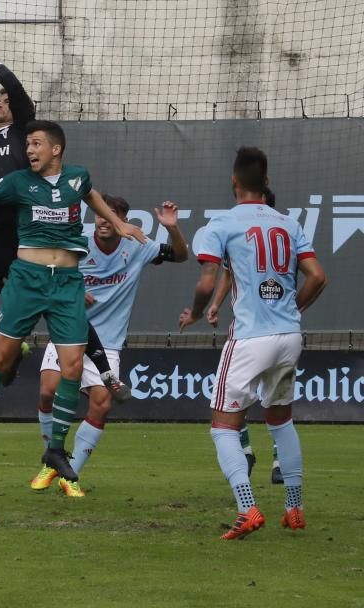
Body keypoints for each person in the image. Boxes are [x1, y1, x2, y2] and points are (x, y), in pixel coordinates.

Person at [0, 120, 146, 484]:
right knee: (2, 358)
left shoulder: (77, 178)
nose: (30, 150)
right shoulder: (17, 181)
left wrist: (119, 224)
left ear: (56, 149)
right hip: (27, 279)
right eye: (28, 144)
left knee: (72, 367)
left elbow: (92, 196)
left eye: (36, 144)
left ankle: (55, 448)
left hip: (68, 282)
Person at [0, 35, 129, 396]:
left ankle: (104, 371)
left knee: (64, 304)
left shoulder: (24, 136)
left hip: (23, 238)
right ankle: (11, 344)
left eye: (5, 101)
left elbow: (18, 91)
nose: (1, 101)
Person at [179, 147, 327, 540]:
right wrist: (290, 310)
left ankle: (247, 508)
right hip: (289, 337)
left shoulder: (221, 223)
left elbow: (207, 282)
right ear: (268, 182)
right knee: (281, 421)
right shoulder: (288, 224)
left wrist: (195, 312)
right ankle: (294, 507)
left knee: (223, 428)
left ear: (234, 182)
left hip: (248, 339)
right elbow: (317, 276)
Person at [30, 196, 188, 497]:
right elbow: (46, 272)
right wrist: (72, 285)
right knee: (47, 391)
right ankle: (52, 457)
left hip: (109, 341)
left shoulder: (137, 245)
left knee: (102, 403)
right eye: (100, 216)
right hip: (68, 331)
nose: (104, 221)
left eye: (112, 216)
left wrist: (173, 229)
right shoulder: (79, 241)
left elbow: (181, 256)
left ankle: (70, 473)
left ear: (122, 220)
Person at [206, 188, 284, 485]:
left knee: (243, 401)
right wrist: (216, 304)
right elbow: (228, 272)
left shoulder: (276, 234)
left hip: (252, 335)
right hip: (279, 333)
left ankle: (270, 465)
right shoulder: (279, 234)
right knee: (265, 401)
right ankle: (257, 457)